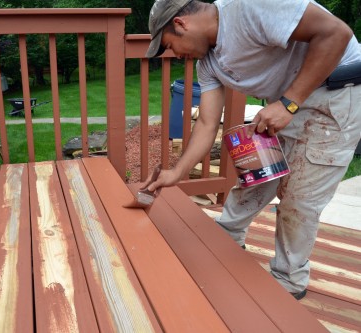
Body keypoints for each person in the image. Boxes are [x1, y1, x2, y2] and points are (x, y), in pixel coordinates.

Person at [144, 0, 361, 300]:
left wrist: (288, 103)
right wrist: (176, 173)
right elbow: (207, 123)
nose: (177, 56)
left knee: (299, 196)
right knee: (259, 168)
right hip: (291, 99)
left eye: (170, 46)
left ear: (181, 24)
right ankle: (229, 233)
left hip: (337, 90)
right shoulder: (209, 62)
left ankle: (289, 278)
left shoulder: (249, 7)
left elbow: (337, 33)